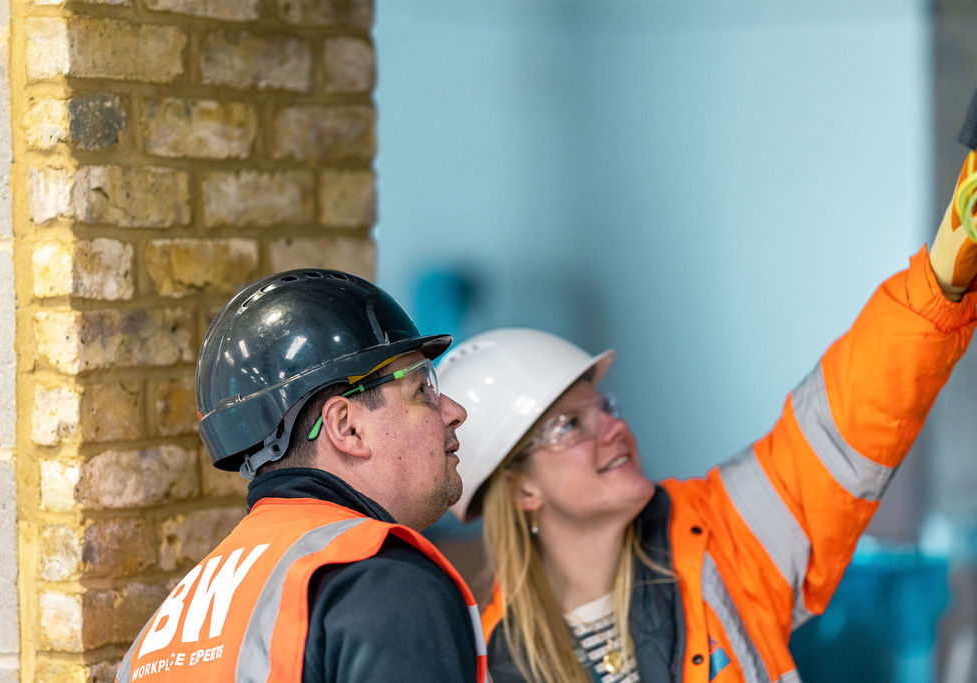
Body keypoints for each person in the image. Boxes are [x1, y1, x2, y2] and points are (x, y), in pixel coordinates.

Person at [435, 147, 977, 683]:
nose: (613, 427)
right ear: (522, 489)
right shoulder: (491, 664)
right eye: (571, 425)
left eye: (604, 406)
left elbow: (842, 423)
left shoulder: (723, 543)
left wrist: (938, 284)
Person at [115, 270, 487, 682]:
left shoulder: (162, 632)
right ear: (346, 427)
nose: (454, 411)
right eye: (423, 389)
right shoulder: (381, 583)